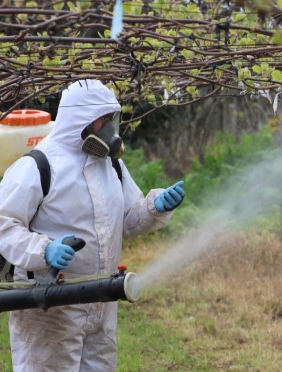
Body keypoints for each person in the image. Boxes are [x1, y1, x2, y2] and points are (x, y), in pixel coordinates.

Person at [0, 79, 186, 371]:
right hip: (50, 306)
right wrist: (44, 250)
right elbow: (4, 225)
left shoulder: (111, 165)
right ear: (81, 121)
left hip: (101, 300)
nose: (110, 129)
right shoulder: (37, 166)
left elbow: (127, 220)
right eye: (104, 121)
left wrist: (154, 207)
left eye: (112, 119)